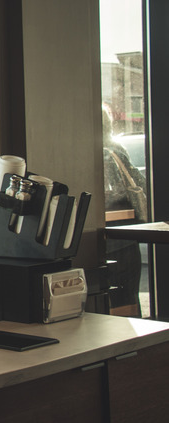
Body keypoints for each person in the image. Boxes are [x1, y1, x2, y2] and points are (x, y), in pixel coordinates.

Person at [102, 104, 146, 317]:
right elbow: (138, 182)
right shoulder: (115, 150)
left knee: (104, 301)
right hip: (125, 238)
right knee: (127, 297)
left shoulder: (85, 152)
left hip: (101, 239)